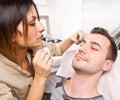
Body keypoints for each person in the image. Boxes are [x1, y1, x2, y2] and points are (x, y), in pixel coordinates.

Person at [0, 0, 84, 100]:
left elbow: (56, 49)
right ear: (10, 34)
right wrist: (40, 78)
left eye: (38, 20)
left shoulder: (33, 47)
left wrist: (71, 39)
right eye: (32, 23)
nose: (42, 28)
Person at [43, 27, 117, 100]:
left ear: (107, 65)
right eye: (82, 44)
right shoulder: (46, 81)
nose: (81, 49)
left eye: (94, 48)